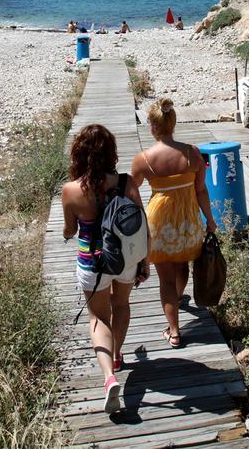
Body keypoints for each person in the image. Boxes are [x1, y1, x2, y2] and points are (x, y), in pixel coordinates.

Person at [63, 124, 148, 414]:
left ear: (79, 154)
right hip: (125, 259)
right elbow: (142, 226)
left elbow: (69, 229)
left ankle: (108, 376)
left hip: (92, 263)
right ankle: (116, 355)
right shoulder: (126, 183)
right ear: (111, 152)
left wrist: (68, 230)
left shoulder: (71, 190)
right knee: (121, 305)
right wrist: (144, 262)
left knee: (98, 318)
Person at [131, 99, 217, 348]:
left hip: (159, 221)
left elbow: (132, 191)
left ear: (153, 127)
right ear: (173, 123)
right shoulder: (192, 153)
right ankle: (178, 298)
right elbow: (201, 191)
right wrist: (209, 220)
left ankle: (174, 330)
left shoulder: (144, 159)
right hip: (188, 219)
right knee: (182, 266)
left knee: (165, 278)